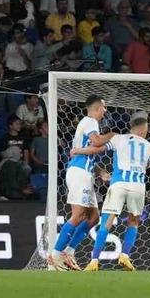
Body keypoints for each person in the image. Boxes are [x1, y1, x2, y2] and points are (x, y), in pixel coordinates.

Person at [77, 116, 150, 272]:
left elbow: (98, 149)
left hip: (119, 185)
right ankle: (125, 257)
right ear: (142, 129)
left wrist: (79, 151)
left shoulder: (118, 138)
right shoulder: (149, 146)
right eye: (147, 130)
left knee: (107, 221)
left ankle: (94, 261)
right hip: (138, 187)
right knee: (134, 221)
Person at [48, 95, 109, 271]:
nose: (105, 111)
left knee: (93, 217)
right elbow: (97, 143)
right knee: (79, 214)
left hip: (86, 173)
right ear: (97, 108)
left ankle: (69, 252)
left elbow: (87, 153)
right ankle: (55, 256)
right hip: (79, 173)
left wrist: (100, 172)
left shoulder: (88, 124)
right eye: (103, 107)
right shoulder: (90, 121)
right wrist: (112, 140)